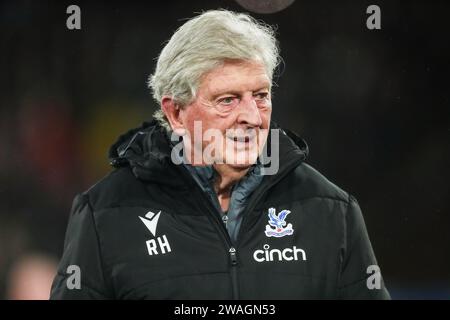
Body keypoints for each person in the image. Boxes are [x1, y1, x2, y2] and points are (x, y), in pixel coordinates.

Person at [50, 9, 390, 299]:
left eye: (260, 95)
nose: (253, 118)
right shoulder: (105, 213)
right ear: (176, 113)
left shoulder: (331, 211)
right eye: (227, 100)